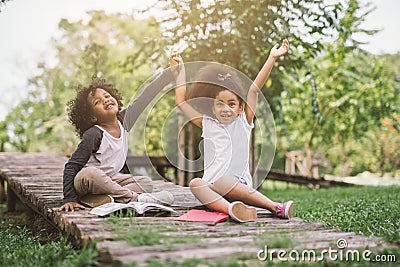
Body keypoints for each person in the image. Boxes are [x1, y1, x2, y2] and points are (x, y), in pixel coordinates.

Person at [170, 39, 294, 222]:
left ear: (240, 108)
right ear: (213, 108)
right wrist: (180, 73)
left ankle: (275, 207)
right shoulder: (208, 124)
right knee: (195, 183)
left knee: (223, 181)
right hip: (212, 193)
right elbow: (181, 101)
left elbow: (253, 90)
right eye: (220, 104)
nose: (225, 109)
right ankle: (232, 209)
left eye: (232, 104)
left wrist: (272, 58)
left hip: (237, 186)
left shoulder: (243, 123)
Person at [58, 69, 178, 212]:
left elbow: (145, 97)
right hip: (86, 182)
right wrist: (69, 198)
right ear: (92, 117)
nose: (106, 100)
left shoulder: (125, 121)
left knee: (145, 182)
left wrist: (169, 74)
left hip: (109, 180)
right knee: (91, 173)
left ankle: (103, 198)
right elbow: (71, 166)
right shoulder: (94, 134)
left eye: (107, 96)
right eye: (98, 102)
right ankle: (136, 199)